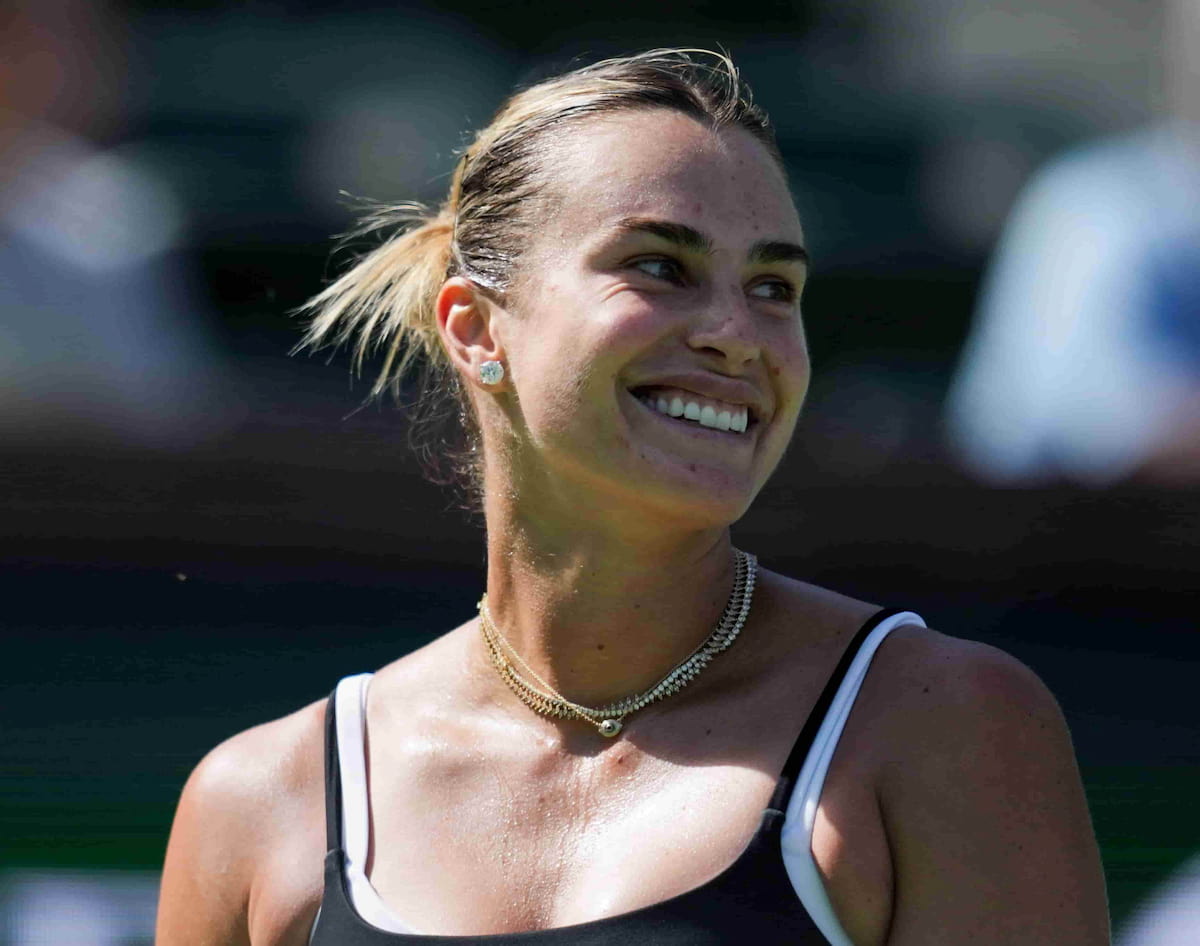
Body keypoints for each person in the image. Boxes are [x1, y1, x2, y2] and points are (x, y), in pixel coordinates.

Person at [156, 50, 1110, 945]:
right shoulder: (259, 800)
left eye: (775, 286)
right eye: (661, 266)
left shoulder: (946, 725)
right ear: (477, 326)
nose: (739, 334)